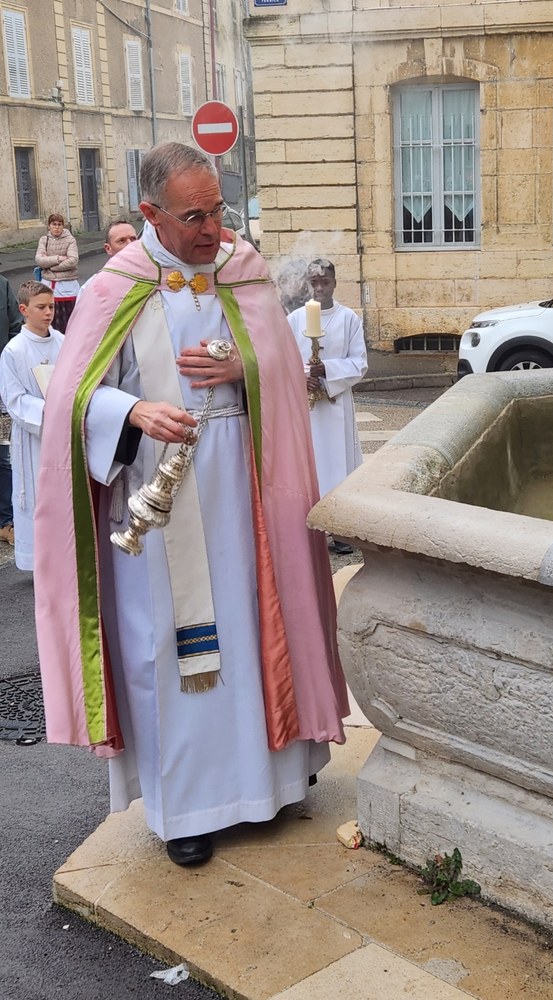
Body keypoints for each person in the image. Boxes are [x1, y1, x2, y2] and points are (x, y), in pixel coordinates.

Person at [34, 142, 348, 867]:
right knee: (171, 652)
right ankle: (188, 812)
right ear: (152, 214)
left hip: (246, 491)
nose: (213, 229)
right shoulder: (116, 286)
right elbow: (70, 401)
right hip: (161, 496)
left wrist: (246, 368)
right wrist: (133, 411)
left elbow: (286, 371)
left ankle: (275, 783)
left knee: (256, 624)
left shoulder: (243, 268)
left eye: (217, 210)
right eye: (194, 217)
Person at [287, 258, 368, 555]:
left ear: (335, 283)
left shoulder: (348, 319)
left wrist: (328, 370)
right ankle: (306, 527)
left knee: (338, 462)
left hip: (335, 406)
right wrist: (301, 376)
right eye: (314, 282)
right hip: (303, 406)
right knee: (305, 463)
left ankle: (340, 527)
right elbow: (282, 359)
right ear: (307, 284)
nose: (319, 288)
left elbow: (359, 363)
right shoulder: (294, 320)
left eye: (325, 282)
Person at [0, 281, 63, 570]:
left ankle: (66, 556)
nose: (48, 312)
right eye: (41, 307)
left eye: (51, 306)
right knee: (37, 496)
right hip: (33, 437)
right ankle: (42, 563)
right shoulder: (13, 351)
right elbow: (14, 399)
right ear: (24, 310)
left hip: (63, 434)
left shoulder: (63, 342)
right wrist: (50, 412)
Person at [0, 275, 23, 546]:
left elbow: (15, 328)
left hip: (0, 387)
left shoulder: (2, 285)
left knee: (3, 456)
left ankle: (6, 522)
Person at [34, 213, 80, 333]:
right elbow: (39, 260)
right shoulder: (44, 240)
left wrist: (50, 267)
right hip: (48, 286)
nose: (57, 227)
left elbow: (73, 261)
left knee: (69, 322)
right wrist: (58, 258)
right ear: (49, 225)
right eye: (54, 224)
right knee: (49, 321)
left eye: (59, 224)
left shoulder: (70, 240)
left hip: (67, 287)